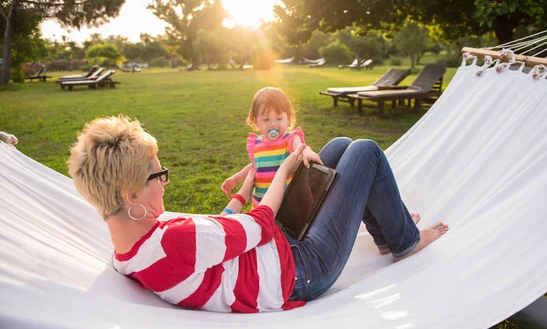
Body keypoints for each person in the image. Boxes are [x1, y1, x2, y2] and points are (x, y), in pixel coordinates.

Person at [68, 115, 448, 313]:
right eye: (158, 174)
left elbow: (209, 240)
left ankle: (385, 233)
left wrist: (241, 194)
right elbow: (261, 220)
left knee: (336, 148)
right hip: (303, 270)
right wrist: (284, 167)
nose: (165, 182)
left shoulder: (132, 246)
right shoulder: (170, 240)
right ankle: (404, 242)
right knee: (363, 150)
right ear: (130, 192)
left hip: (276, 248)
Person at [220, 87, 322, 209]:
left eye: (279, 118)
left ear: (288, 118)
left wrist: (307, 151)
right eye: (266, 119)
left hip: (286, 205)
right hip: (260, 206)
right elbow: (254, 167)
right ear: (256, 121)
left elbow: (300, 147)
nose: (273, 124)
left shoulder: (290, 138)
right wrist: (236, 179)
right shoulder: (256, 144)